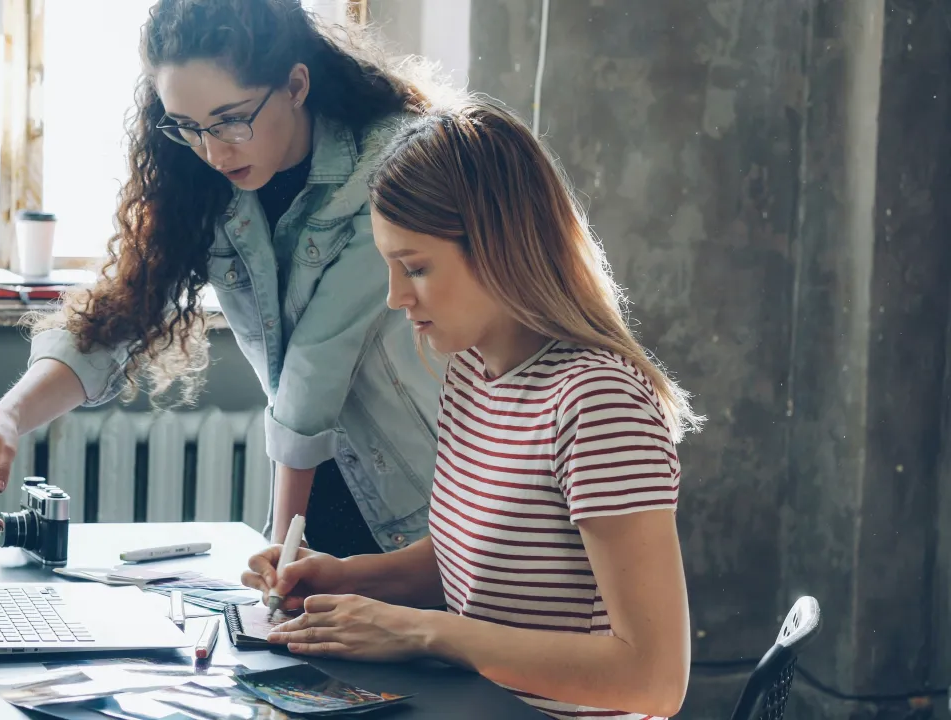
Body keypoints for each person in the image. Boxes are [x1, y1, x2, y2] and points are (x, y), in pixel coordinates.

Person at [0, 0, 451, 558]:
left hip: (419, 503)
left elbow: (317, 363)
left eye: (231, 120)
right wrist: (6, 419)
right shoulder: (201, 178)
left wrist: (281, 554)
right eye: (189, 128)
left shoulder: (388, 163)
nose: (213, 152)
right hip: (315, 492)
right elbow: (119, 314)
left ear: (295, 85)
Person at [241, 98, 703, 719]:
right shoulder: (472, 372)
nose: (396, 297)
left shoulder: (598, 405)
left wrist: (419, 632)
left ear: (500, 246)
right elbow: (470, 557)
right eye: (390, 268)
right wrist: (343, 576)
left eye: (416, 268)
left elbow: (653, 680)